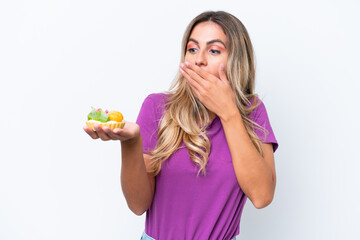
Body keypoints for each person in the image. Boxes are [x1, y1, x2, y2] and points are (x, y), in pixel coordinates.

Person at [84, 10, 278, 240]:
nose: (199, 59)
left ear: (236, 60)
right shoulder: (157, 107)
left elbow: (262, 196)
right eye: (192, 49)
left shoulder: (252, 112)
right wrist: (131, 143)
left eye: (214, 50)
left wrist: (228, 113)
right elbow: (137, 205)